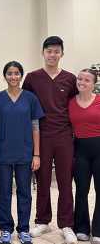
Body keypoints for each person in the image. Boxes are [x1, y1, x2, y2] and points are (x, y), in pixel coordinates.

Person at [22, 36, 78, 244]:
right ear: (42, 53)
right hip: (41, 137)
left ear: (62, 54)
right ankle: (42, 220)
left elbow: (74, 105)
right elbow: (25, 107)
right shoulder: (32, 78)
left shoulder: (70, 79)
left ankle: (66, 224)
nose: (52, 55)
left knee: (65, 182)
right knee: (42, 180)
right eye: (49, 51)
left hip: (64, 136)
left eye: (56, 51)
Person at [0, 61, 43, 244]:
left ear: (21, 76)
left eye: (17, 73)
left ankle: (23, 228)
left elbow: (35, 127)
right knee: (3, 191)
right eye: (9, 73)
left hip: (25, 151)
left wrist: (36, 154)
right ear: (4, 76)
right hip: (2, 151)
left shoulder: (30, 98)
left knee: (24, 191)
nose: (13, 77)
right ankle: (5, 228)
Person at [68, 69, 100, 244]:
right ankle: (81, 228)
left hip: (99, 147)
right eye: (80, 78)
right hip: (80, 148)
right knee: (81, 190)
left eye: (87, 80)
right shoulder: (70, 102)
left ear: (94, 85)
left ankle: (98, 230)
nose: (82, 82)